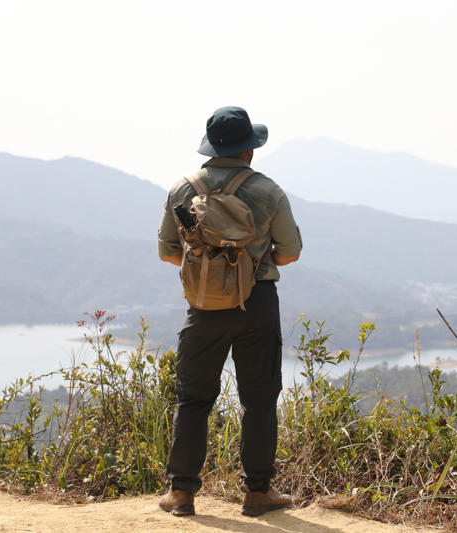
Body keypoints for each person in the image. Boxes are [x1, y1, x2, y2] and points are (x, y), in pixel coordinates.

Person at [156, 106, 302, 517]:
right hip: (256, 302)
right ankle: (258, 493)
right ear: (249, 151)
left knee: (193, 399)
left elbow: (167, 252)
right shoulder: (268, 191)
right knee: (258, 399)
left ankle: (181, 493)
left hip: (204, 305)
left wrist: (209, 265)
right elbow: (289, 254)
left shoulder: (182, 189)